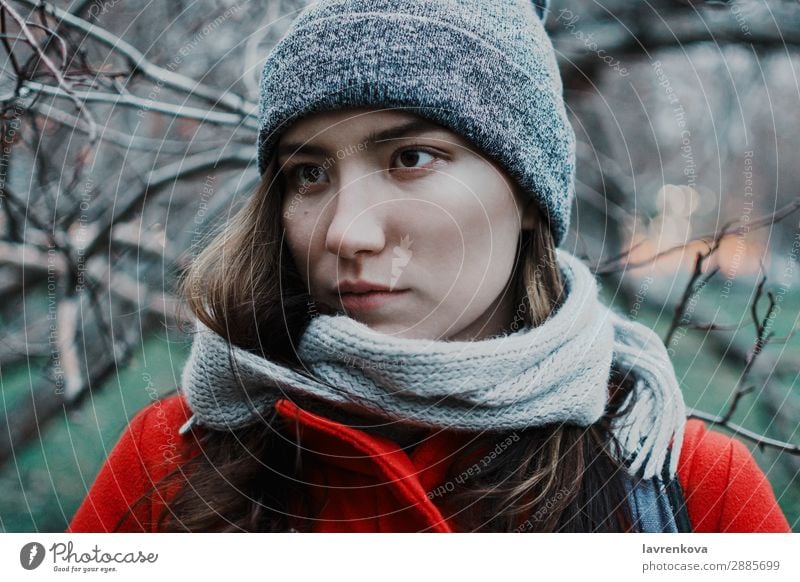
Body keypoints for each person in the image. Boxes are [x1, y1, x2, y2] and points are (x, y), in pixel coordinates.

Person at [67, 0, 790, 533]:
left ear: (529, 195)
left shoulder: (688, 491)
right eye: (308, 173)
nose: (347, 232)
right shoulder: (172, 462)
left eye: (410, 158)